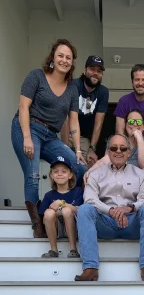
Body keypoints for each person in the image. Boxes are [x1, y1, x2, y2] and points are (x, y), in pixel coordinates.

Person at [11, 39, 87, 238]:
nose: (64, 60)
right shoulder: (36, 75)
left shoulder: (72, 88)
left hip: (50, 135)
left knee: (79, 168)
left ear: (72, 63)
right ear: (52, 58)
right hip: (27, 127)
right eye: (60, 55)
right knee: (33, 175)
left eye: (68, 57)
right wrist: (27, 136)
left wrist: (78, 150)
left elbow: (73, 122)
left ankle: (70, 210)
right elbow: (23, 107)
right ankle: (39, 224)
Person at [75, 134, 144, 282]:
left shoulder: (140, 174)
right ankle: (90, 268)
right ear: (108, 151)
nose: (118, 151)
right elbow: (90, 199)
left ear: (128, 152)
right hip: (106, 222)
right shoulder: (96, 174)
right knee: (84, 209)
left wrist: (130, 208)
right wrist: (111, 210)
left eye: (123, 148)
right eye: (114, 148)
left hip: (132, 222)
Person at [84, 109, 144, 186]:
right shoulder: (117, 140)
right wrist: (90, 171)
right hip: (117, 179)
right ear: (126, 125)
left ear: (143, 126)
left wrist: (139, 138)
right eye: (131, 121)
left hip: (138, 186)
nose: (135, 124)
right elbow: (105, 160)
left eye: (139, 122)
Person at [61, 55, 109, 167]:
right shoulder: (73, 84)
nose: (95, 73)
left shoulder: (103, 92)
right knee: (63, 164)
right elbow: (65, 116)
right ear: (84, 70)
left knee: (87, 164)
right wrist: (65, 146)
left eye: (99, 71)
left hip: (84, 137)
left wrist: (92, 148)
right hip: (65, 132)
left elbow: (99, 122)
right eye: (92, 69)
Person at [39, 156, 83, 258]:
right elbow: (43, 217)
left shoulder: (78, 191)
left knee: (67, 210)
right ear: (51, 175)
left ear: (70, 175)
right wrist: (54, 211)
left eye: (64, 171)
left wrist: (61, 203)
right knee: (49, 212)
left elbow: (79, 210)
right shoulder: (49, 195)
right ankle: (54, 250)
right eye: (56, 171)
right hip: (56, 229)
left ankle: (73, 249)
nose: (59, 174)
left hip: (74, 227)